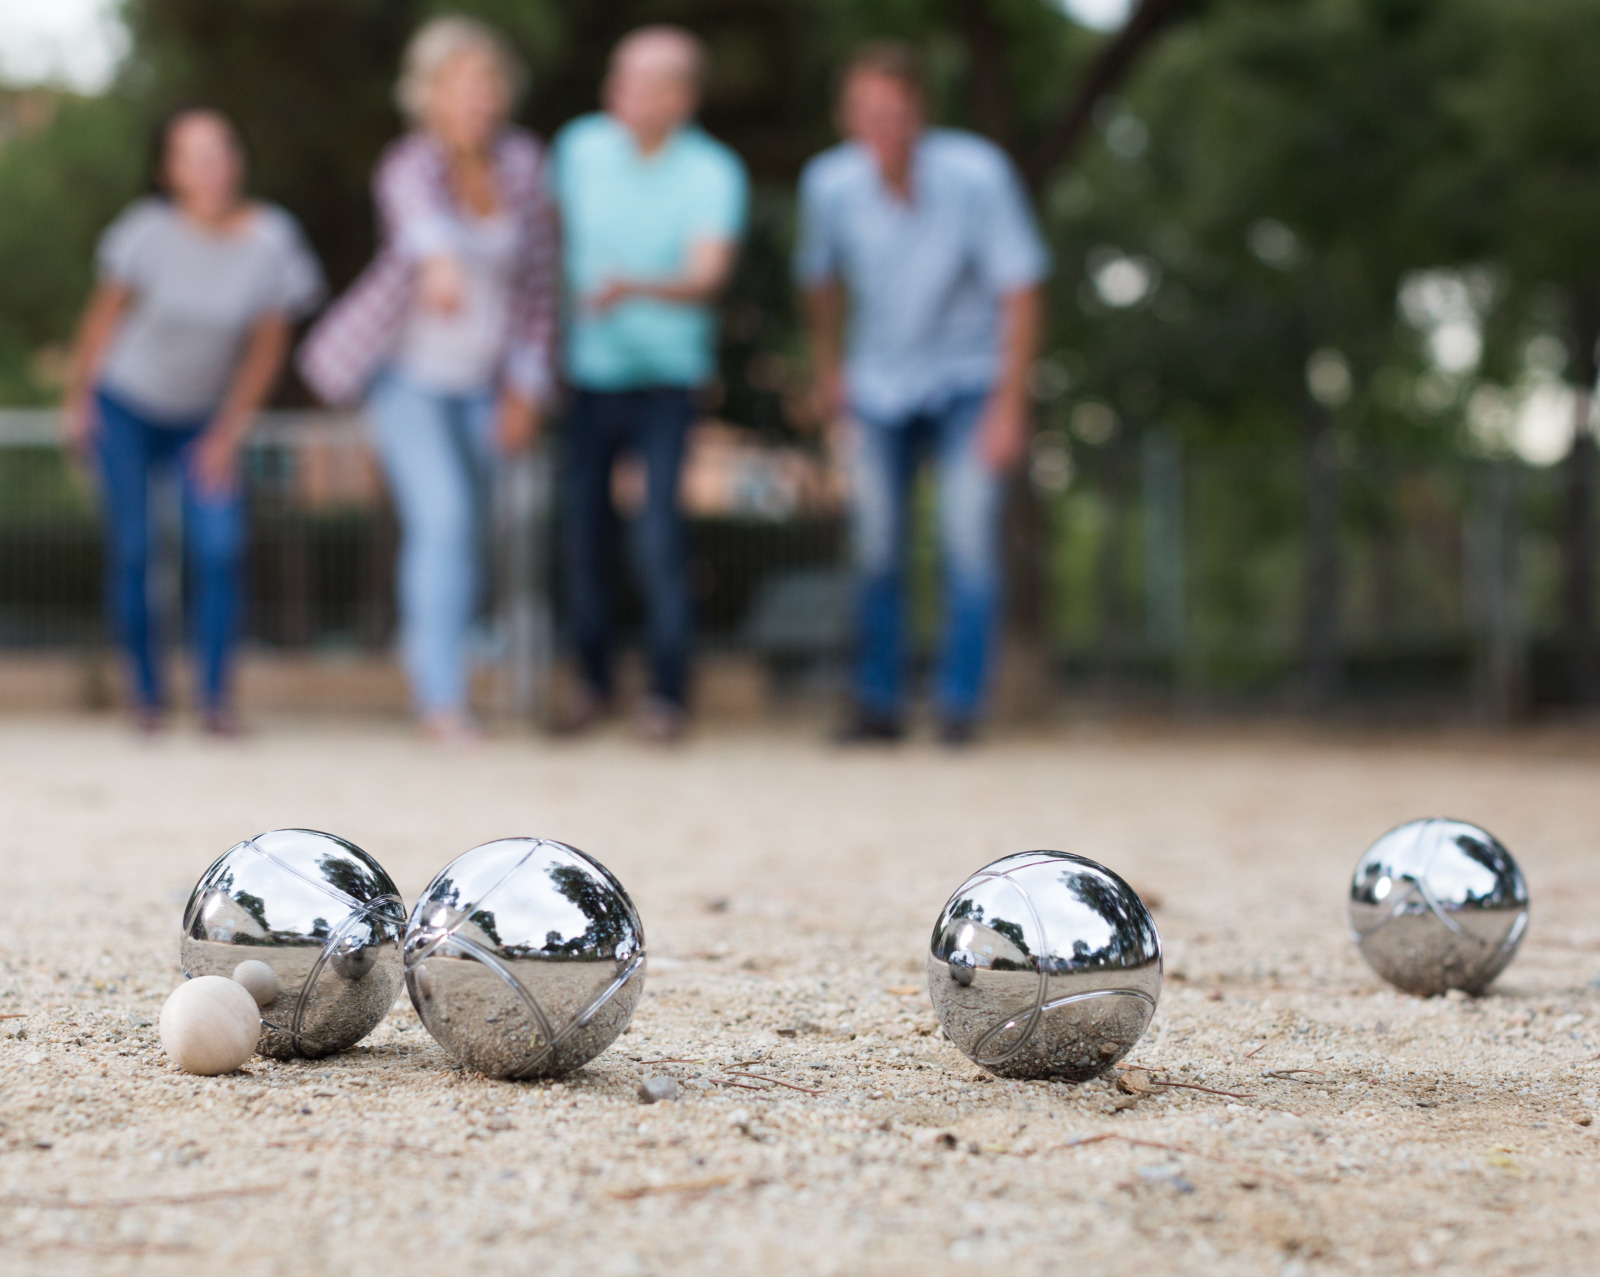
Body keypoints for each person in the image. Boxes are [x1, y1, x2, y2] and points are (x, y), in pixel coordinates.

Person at [299, 16, 556, 742]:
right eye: (461, 83)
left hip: (486, 380)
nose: (478, 96)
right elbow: (420, 227)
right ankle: (440, 699)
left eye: (488, 81)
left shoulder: (526, 166)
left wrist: (527, 387)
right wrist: (441, 262)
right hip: (406, 376)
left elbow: (539, 288)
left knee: (476, 530)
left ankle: (455, 672)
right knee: (440, 517)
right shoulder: (407, 164)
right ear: (431, 95)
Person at [796, 42, 1049, 745]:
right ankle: (878, 704)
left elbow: (1021, 291)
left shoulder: (978, 175)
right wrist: (829, 371)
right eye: (870, 111)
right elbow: (818, 281)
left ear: (921, 113)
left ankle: (959, 706)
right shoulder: (830, 185)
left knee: (967, 539)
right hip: (877, 382)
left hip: (972, 380)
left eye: (898, 111)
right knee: (876, 544)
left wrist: (1010, 403)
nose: (885, 126)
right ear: (848, 117)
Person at [63, 105, 324, 735]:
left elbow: (267, 346)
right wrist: (77, 402)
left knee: (220, 547)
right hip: (126, 404)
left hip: (204, 417)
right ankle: (146, 697)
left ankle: (215, 701)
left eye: (222, 149)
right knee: (135, 549)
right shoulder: (144, 233)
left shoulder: (272, 241)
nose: (213, 165)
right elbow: (102, 321)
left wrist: (228, 431)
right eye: (194, 154)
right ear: (168, 171)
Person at [549, 26, 749, 742]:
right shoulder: (578, 149)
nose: (616, 92)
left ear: (679, 97)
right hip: (588, 375)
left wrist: (632, 287)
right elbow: (547, 240)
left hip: (669, 376)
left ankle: (667, 693)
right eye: (617, 76)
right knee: (582, 533)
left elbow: (708, 276)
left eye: (635, 80)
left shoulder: (713, 172)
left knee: (658, 534)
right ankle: (592, 682)